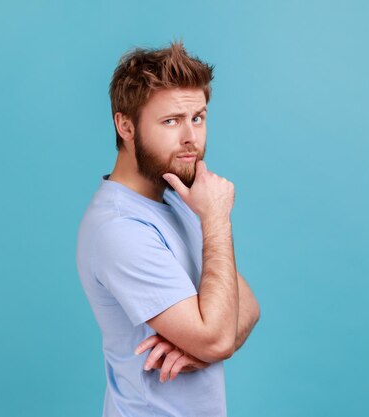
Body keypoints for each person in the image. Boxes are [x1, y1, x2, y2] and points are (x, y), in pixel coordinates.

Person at [76, 40, 260, 417]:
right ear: (125, 125)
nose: (190, 137)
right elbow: (220, 335)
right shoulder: (120, 228)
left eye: (198, 117)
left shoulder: (177, 199)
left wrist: (198, 347)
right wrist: (217, 220)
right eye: (171, 121)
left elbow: (248, 309)